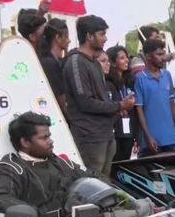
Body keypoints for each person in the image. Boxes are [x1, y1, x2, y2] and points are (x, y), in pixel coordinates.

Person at [0, 112, 150, 217]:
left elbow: (94, 176)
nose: (51, 141)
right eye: (44, 138)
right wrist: (37, 216)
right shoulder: (11, 168)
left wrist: (112, 195)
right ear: (25, 142)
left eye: (49, 136)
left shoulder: (60, 162)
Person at [63, 15, 134, 176]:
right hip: (89, 136)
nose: (105, 38)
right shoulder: (76, 62)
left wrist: (117, 108)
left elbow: (101, 99)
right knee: (93, 184)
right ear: (89, 36)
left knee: (105, 184)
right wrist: (119, 106)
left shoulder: (95, 63)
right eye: (101, 34)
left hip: (106, 133)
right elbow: (85, 102)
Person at [134, 39, 175, 156]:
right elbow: (139, 110)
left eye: (163, 54)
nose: (163, 58)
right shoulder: (140, 78)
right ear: (149, 57)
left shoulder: (167, 75)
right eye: (159, 55)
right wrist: (148, 137)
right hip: (152, 140)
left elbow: (171, 103)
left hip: (170, 137)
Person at [104, 46, 137, 163]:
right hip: (116, 131)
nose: (127, 60)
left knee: (126, 163)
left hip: (128, 131)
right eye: (122, 58)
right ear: (113, 62)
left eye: (126, 57)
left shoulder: (128, 81)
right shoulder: (108, 83)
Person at [39, 18, 71, 118]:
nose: (69, 40)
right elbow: (60, 96)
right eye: (66, 37)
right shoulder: (49, 63)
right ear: (58, 37)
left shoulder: (55, 61)